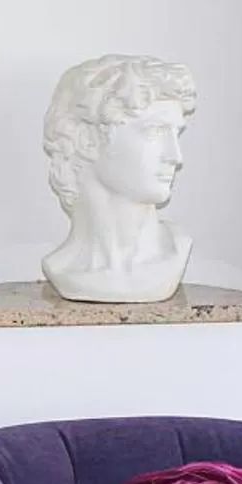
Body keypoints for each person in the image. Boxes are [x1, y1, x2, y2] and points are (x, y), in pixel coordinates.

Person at [38, 54, 196, 302]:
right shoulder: (62, 267)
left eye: (176, 133)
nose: (175, 157)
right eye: (154, 131)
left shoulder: (176, 250)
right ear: (87, 139)